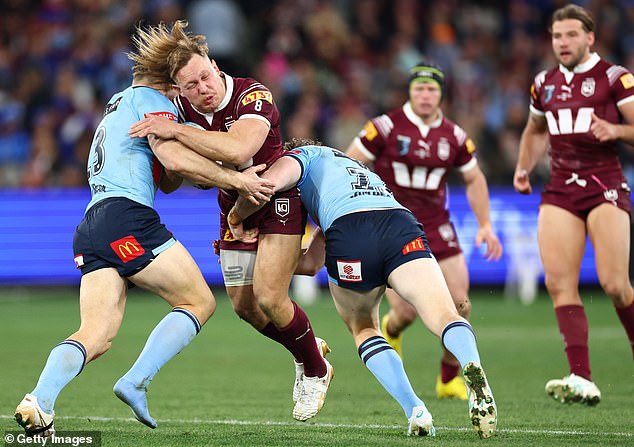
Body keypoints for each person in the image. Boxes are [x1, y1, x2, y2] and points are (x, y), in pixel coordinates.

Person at [13, 24, 276, 436]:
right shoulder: (155, 103)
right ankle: (135, 381)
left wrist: (193, 157)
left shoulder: (118, 102)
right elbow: (174, 159)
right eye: (183, 86)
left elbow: (169, 176)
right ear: (169, 83)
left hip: (91, 224)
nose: (188, 94)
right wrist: (238, 180)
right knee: (199, 302)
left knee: (96, 335)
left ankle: (39, 400)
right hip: (126, 217)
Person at [126, 21, 331, 421]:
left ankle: (315, 368)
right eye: (192, 85)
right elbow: (171, 179)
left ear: (215, 65)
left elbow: (239, 150)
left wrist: (174, 132)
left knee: (271, 297)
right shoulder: (181, 111)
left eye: (206, 76)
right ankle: (307, 346)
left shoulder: (251, 94)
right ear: (179, 91)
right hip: (231, 204)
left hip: (276, 196)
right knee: (245, 308)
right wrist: (164, 141)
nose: (204, 87)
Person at [227, 139, 498, 439]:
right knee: (444, 314)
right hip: (399, 223)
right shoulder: (355, 169)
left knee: (365, 329)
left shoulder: (300, 157)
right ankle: (471, 362)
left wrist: (236, 217)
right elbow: (308, 264)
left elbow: (267, 184)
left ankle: (415, 410)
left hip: (350, 233)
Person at [345, 60, 502, 400]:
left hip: (437, 226)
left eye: (432, 90)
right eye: (419, 89)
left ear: (441, 96)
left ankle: (448, 379)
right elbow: (350, 162)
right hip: (392, 227)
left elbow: (474, 178)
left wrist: (486, 225)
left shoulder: (455, 136)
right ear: (410, 92)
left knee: (460, 304)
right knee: (405, 312)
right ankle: (391, 327)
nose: (426, 95)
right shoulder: (385, 127)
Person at [514, 4, 634, 406]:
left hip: (604, 186)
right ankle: (581, 377)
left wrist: (616, 129)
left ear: (590, 38)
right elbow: (534, 129)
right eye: (556, 36)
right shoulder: (543, 83)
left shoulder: (615, 78)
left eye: (570, 35)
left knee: (615, 285)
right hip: (561, 189)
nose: (562, 43)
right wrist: (523, 168)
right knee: (558, 282)